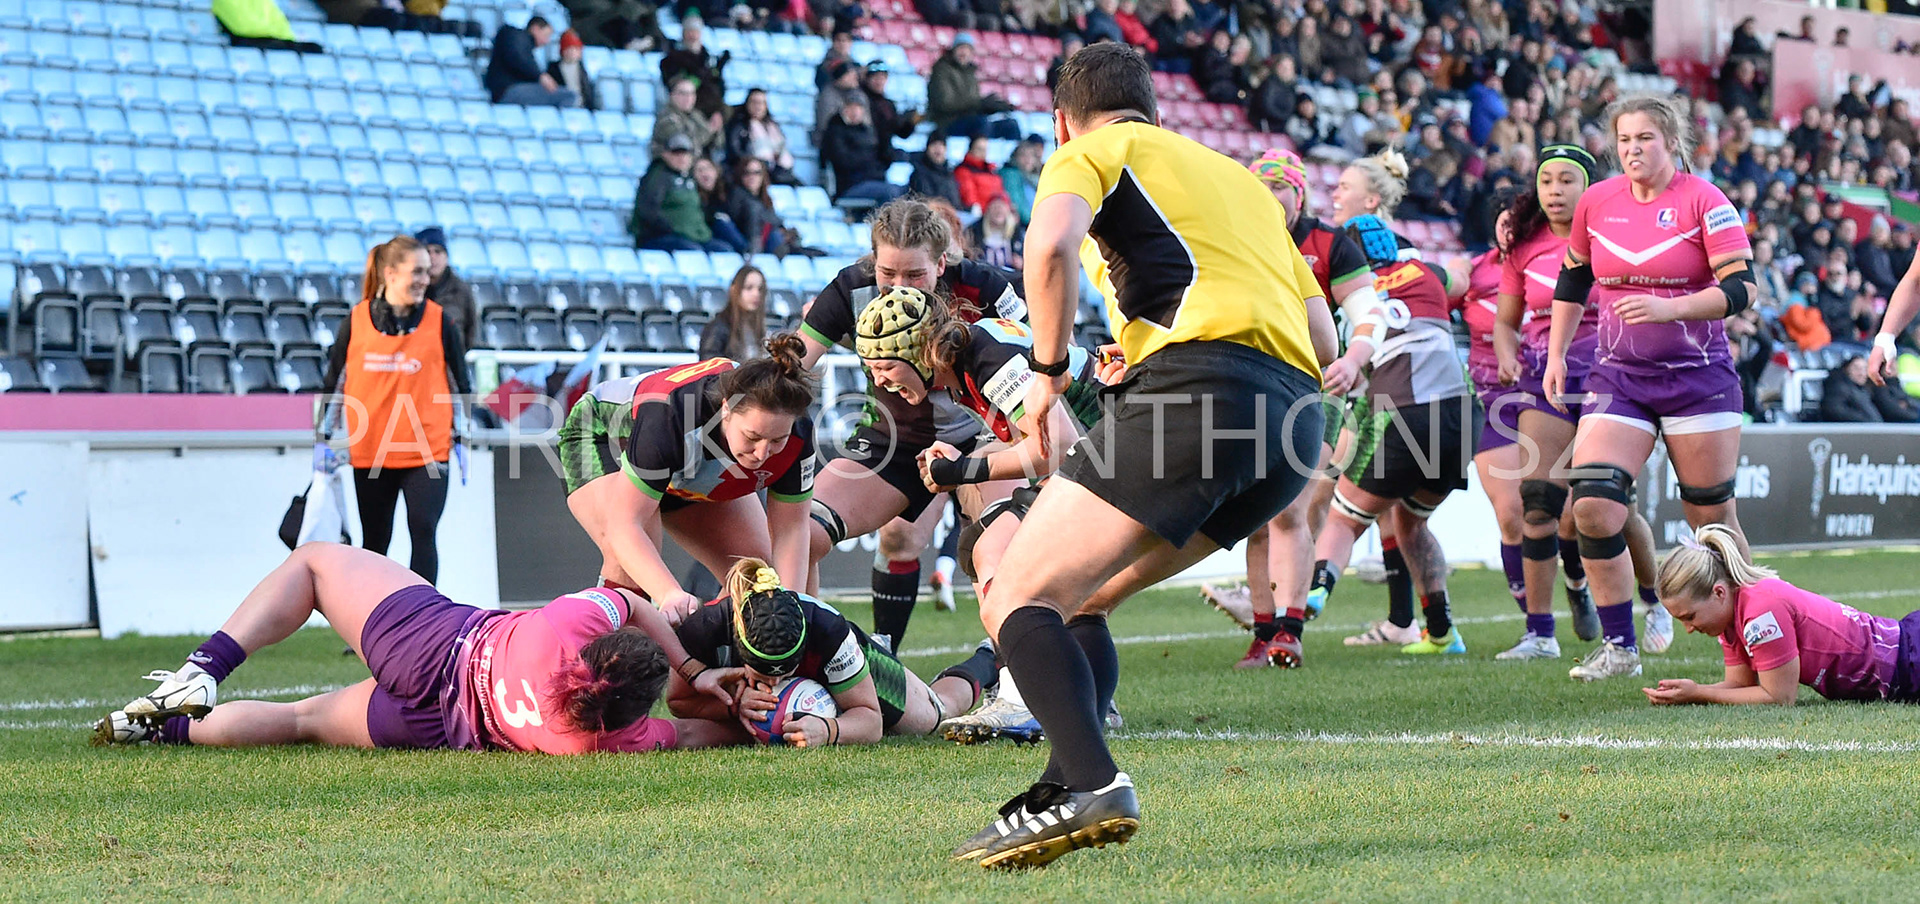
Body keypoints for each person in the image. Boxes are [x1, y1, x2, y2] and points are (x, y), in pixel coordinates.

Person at [951, 43, 1332, 869]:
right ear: (1156, 109)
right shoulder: (1237, 178)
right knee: (1079, 599)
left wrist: (1048, 377)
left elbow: (1048, 249)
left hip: (1204, 389)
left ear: (1062, 119)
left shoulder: (1089, 151)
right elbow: (1325, 333)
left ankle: (1093, 782)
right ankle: (1062, 781)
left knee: (1015, 590)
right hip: (1297, 422)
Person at [91, 545, 744, 751]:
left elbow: (629, 600)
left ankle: (204, 669)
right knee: (300, 722)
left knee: (315, 565)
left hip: (435, 647)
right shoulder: (602, 741)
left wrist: (688, 662)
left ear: (600, 652)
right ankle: (156, 732)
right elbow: (686, 736)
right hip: (438, 724)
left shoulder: (565, 627)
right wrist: (759, 726)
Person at [1545, 94, 1755, 682]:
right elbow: (1573, 278)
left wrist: (1673, 309)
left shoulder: (1704, 200)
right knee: (1591, 504)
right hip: (1619, 378)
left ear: (1670, 142)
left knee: (1712, 521)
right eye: (1624, 140)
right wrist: (1557, 353)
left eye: (1644, 139)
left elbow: (1743, 289)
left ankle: (1753, 639)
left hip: (1698, 379)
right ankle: (1619, 648)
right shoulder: (1596, 202)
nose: (1632, 150)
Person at [795, 199, 1027, 648]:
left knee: (1003, 549)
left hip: (982, 436)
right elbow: (794, 362)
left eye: (915, 276)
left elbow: (1043, 352)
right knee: (801, 535)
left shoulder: (983, 286)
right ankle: (819, 662)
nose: (901, 287)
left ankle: (1009, 671)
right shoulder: (850, 288)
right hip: (892, 439)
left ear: (942, 263)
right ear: (872, 262)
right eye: (888, 274)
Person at [1198, 148, 1383, 670]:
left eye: (1280, 187)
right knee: (1255, 517)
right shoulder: (1236, 238)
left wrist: (1353, 359)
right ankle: (1263, 632)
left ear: (1298, 194)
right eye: (1261, 187)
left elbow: (1369, 311)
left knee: (1290, 508)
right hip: (1252, 385)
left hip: (1316, 388)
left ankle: (1290, 631)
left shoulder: (1330, 244)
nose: (1270, 197)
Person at [1492, 146, 1665, 662]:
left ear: (1589, 187)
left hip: (1612, 376)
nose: (1556, 191)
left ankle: (1654, 601)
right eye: (1548, 181)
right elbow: (1505, 320)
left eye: (1568, 181)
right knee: (1539, 503)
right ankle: (1540, 633)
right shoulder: (1521, 247)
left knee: (1609, 504)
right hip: (1546, 376)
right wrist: (1506, 357)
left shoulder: (1615, 232)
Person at [1306, 214, 1478, 658]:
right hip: (1462, 413)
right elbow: (1460, 278)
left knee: (1343, 517)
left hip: (1403, 410)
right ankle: (1441, 632)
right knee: (1410, 521)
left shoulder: (1351, 298)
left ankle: (1312, 594)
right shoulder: (1425, 273)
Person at [557, 340, 817, 620]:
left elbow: (792, 530)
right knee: (631, 573)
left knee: (755, 579)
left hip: (682, 462)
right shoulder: (671, 416)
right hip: (603, 437)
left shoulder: (800, 434)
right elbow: (625, 526)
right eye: (753, 437)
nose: (763, 453)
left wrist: (790, 608)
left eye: (778, 440)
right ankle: (607, 656)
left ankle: (708, 651)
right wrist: (669, 594)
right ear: (727, 409)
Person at [668, 558, 999, 745]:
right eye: (767, 673)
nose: (779, 680)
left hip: (841, 663)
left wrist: (828, 731)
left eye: (787, 670)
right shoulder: (704, 627)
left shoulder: (828, 629)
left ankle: (991, 656)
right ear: (739, 645)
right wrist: (734, 705)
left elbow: (870, 724)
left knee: (935, 716)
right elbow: (678, 702)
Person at [319, 236, 471, 585]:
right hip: (372, 450)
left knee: (423, 530)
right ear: (390, 273)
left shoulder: (441, 322)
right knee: (374, 544)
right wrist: (322, 440)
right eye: (416, 271)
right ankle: (370, 632)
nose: (424, 279)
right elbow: (334, 385)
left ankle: (424, 628)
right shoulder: (355, 321)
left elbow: (461, 386)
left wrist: (461, 437)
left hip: (428, 451)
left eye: (426, 272)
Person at [1644, 524, 1920, 706]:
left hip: (1910, 662)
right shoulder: (1730, 617)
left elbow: (1779, 696)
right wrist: (1690, 693)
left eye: (1690, 616)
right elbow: (1739, 684)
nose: (1688, 628)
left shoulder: (1760, 612)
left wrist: (1700, 693)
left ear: (1718, 593)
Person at [630, 134, 732, 252]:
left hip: (694, 236)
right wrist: (672, 229)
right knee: (692, 251)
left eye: (685, 153)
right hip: (659, 237)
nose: (682, 158)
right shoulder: (657, 177)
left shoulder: (688, 177)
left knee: (724, 250)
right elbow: (648, 210)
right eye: (676, 153)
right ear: (665, 154)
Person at [927, 34, 1016, 140]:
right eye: (961, 48)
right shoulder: (941, 70)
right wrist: (980, 104)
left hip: (970, 119)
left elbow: (973, 104)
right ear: (953, 50)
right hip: (947, 122)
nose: (964, 52)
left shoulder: (970, 73)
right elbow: (945, 104)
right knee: (980, 123)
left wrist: (990, 107)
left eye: (968, 49)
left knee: (1011, 125)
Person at [821, 99, 906, 205]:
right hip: (850, 185)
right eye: (850, 107)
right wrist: (870, 156)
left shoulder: (867, 131)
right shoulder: (835, 132)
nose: (855, 112)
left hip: (874, 180)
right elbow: (843, 161)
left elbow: (882, 158)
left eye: (858, 108)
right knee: (890, 192)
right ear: (843, 110)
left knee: (906, 190)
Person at [485, 17, 578, 107]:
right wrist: (541, 76)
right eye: (546, 36)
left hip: (509, 90)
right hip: (507, 90)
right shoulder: (514, 35)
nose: (546, 41)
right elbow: (517, 56)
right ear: (535, 29)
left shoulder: (525, 46)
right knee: (568, 96)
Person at [725, 158, 805, 257]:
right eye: (747, 173)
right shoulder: (737, 195)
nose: (752, 177)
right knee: (775, 236)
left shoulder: (764, 198)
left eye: (757, 173)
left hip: (767, 243)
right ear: (740, 175)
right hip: (751, 246)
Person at [413, 227, 476, 351]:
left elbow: (471, 333)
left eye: (438, 251)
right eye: (427, 251)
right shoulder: (409, 290)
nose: (432, 257)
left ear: (446, 256)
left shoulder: (461, 291)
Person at [659, 15, 729, 119]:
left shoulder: (707, 58)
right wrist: (700, 73)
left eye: (696, 32)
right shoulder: (672, 59)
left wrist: (719, 69)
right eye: (689, 31)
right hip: (690, 108)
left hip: (715, 107)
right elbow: (677, 84)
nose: (693, 36)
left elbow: (717, 83)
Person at [726, 89, 798, 186]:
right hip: (752, 173)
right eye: (754, 102)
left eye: (762, 103)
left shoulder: (773, 126)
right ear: (747, 103)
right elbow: (735, 153)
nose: (758, 106)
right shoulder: (738, 126)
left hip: (778, 171)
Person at [698, 266, 769, 360]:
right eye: (748, 288)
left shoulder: (758, 328)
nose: (756, 294)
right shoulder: (717, 328)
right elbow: (709, 367)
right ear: (734, 289)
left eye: (760, 289)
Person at [862, 62, 922, 171]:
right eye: (875, 78)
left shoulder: (888, 104)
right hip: (869, 156)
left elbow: (901, 133)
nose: (879, 82)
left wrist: (911, 122)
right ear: (867, 79)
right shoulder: (862, 101)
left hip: (885, 155)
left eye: (882, 78)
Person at [653, 76, 723, 160]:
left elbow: (718, 143)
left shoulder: (695, 114)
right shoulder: (666, 118)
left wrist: (716, 130)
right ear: (671, 95)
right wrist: (711, 130)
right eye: (683, 93)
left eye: (692, 93)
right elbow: (685, 145)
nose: (688, 98)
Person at [814, 60, 869, 145]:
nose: (855, 77)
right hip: (833, 142)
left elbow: (867, 121)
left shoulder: (859, 94)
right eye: (850, 75)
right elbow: (825, 124)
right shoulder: (827, 95)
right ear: (841, 77)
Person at [545, 29, 599, 112]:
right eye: (569, 48)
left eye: (575, 49)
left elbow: (588, 94)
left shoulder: (582, 70)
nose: (572, 52)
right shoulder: (553, 68)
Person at [967, 195, 1023, 271]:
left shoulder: (1016, 232)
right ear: (988, 210)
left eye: (1001, 207)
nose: (998, 210)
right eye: (995, 207)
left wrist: (1022, 264)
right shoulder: (975, 230)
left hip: (1010, 275)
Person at [909, 131, 963, 209]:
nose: (938, 149)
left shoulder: (949, 175)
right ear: (927, 148)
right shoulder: (919, 174)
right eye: (934, 144)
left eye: (941, 145)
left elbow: (956, 202)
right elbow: (926, 202)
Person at [1820, 355, 1882, 422]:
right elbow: (1834, 410)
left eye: (1865, 369)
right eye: (1856, 369)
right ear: (1847, 369)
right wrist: (1863, 420)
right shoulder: (1838, 388)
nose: (1862, 373)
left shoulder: (1864, 390)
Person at [954, 136, 1008, 213]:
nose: (982, 153)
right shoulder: (963, 171)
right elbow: (970, 198)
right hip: (982, 215)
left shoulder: (992, 171)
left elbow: (1002, 195)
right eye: (979, 149)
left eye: (985, 150)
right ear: (970, 150)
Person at [999, 136, 1045, 226]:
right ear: (1015, 157)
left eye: (1031, 156)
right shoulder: (1010, 175)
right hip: (1024, 225)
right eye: (1023, 155)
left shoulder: (1035, 178)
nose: (1028, 159)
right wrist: (1035, 222)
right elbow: (1017, 202)